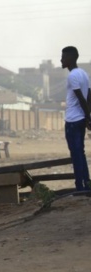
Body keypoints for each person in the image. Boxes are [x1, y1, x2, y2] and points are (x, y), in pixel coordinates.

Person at [60, 46, 91, 191]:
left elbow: (81, 98)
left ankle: (80, 187)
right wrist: (87, 117)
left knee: (76, 154)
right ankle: (86, 182)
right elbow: (89, 97)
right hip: (80, 120)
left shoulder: (72, 76)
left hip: (72, 121)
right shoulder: (84, 74)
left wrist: (88, 118)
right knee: (80, 152)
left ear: (71, 58)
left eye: (64, 57)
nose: (61, 59)